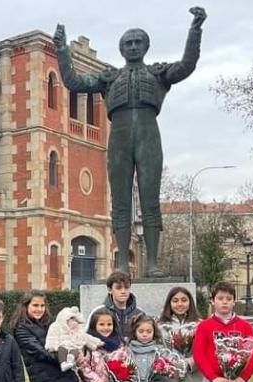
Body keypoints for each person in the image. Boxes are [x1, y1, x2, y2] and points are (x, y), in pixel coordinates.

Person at [54, 7, 207, 274]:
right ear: (122, 48)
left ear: (146, 46)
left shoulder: (158, 74)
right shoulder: (109, 78)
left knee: (150, 200)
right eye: (128, 43)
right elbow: (73, 82)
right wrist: (62, 50)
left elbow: (186, 65)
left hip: (149, 134)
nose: (133, 47)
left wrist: (195, 30)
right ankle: (122, 262)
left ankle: (152, 264)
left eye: (138, 42)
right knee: (121, 202)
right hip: (119, 138)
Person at [45, 306, 104, 371]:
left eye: (76, 321)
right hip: (62, 349)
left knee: (76, 351)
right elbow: (52, 337)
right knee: (61, 349)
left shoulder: (79, 332)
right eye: (72, 320)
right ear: (65, 320)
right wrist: (51, 346)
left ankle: (70, 361)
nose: (75, 323)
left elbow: (87, 338)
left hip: (74, 350)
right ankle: (64, 363)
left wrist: (97, 342)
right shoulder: (56, 327)